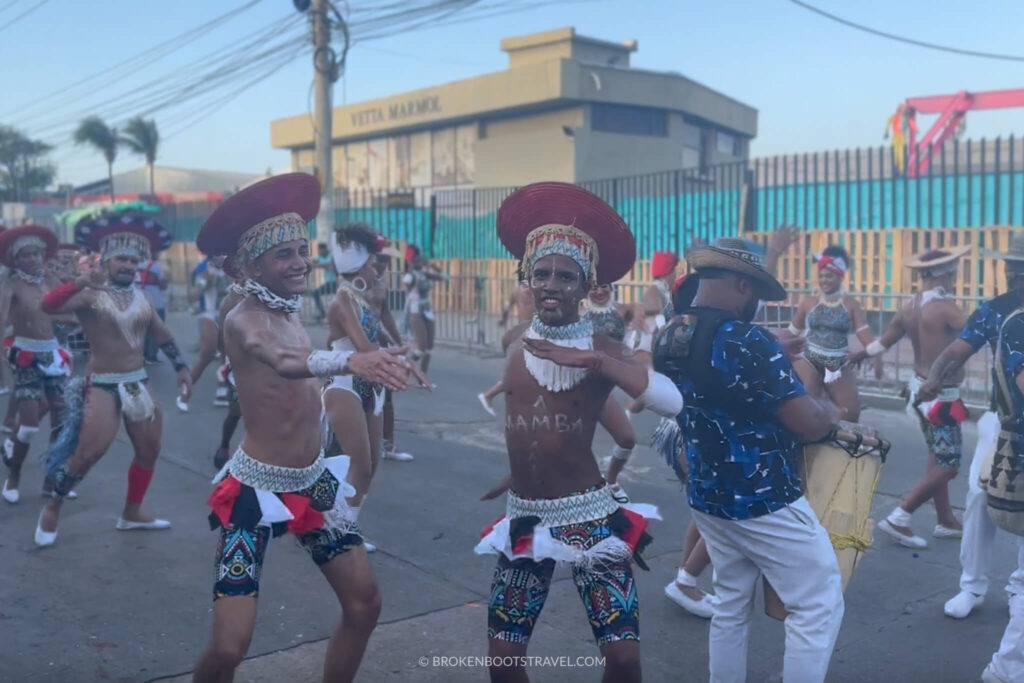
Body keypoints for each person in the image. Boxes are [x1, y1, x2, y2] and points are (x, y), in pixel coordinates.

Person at [190, 173, 420, 683]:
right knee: (230, 646)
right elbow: (285, 360)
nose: (299, 263)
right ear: (251, 266)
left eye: (302, 250)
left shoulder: (288, 309)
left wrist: (366, 361)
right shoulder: (243, 318)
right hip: (254, 490)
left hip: (313, 484)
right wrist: (350, 363)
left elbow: (298, 365)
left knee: (364, 606)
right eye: (284, 256)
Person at [474, 182, 682, 683]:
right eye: (541, 273)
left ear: (587, 286)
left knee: (623, 660)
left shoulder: (602, 344)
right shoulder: (515, 344)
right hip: (525, 516)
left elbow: (671, 401)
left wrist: (592, 359)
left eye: (565, 275)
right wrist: (520, 469)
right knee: (503, 659)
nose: (550, 284)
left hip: (588, 516)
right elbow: (532, 423)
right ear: (525, 277)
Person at [655, 237, 843, 682]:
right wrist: (830, 414)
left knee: (731, 607)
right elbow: (803, 420)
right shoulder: (749, 341)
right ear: (743, 285)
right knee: (817, 604)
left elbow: (713, 371)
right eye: (756, 291)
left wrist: (771, 351)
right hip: (765, 501)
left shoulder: (669, 332)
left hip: (708, 497)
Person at [35, 212, 192, 546]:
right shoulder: (92, 294)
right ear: (106, 260)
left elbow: (161, 334)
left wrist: (181, 367)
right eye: (121, 258)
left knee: (149, 450)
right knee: (88, 453)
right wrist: (79, 282)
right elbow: (47, 306)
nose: (128, 265)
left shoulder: (142, 297)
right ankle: (53, 506)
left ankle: (131, 513)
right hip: (103, 383)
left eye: (134, 260)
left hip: (138, 381)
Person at [916, 233, 1024, 642]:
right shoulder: (994, 311)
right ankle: (972, 585)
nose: (1014, 273)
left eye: (1021, 267)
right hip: (1002, 421)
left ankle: (1019, 587)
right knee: (981, 495)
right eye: (1010, 265)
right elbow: (957, 350)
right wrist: (932, 380)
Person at [851, 246, 970, 548]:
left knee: (936, 456)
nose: (956, 276)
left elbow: (882, 343)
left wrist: (861, 354)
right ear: (944, 273)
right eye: (954, 271)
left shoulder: (909, 306)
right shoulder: (946, 308)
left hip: (917, 392)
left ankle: (945, 520)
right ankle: (900, 517)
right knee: (948, 464)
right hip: (942, 398)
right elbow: (977, 336)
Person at [0, 224, 73, 502]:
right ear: (16, 259)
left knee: (61, 421)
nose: (33, 259)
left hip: (52, 355)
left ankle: (50, 479)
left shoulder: (50, 278)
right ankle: (13, 476)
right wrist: (3, 368)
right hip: (25, 355)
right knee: (29, 425)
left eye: (37, 254)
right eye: (26, 255)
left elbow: (68, 307)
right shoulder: (11, 284)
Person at [787, 245, 877, 421]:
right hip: (808, 360)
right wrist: (767, 339)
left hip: (837, 363)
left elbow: (863, 333)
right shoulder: (808, 302)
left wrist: (876, 355)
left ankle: (839, 446)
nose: (824, 280)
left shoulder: (852, 305)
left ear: (839, 276)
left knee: (850, 413)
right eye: (821, 276)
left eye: (829, 276)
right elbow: (791, 332)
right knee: (808, 412)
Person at [366, 245, 414, 463]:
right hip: (359, 347)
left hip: (378, 343)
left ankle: (387, 444)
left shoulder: (381, 281)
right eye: (378, 260)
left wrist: (397, 340)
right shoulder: (356, 283)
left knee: (386, 396)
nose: (382, 265)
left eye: (386, 261)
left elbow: (384, 312)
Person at [478, 278, 534, 415]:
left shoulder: (518, 287)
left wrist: (503, 320)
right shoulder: (533, 289)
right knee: (525, 371)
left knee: (529, 371)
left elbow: (507, 306)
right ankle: (489, 394)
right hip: (531, 332)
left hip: (521, 331)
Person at [403, 244, 447, 374]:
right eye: (416, 258)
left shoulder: (424, 273)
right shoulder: (410, 276)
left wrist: (432, 266)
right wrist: (410, 270)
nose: (419, 260)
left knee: (429, 349)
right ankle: (405, 371)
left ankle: (423, 378)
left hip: (427, 311)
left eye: (420, 257)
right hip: (416, 312)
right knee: (420, 349)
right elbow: (406, 286)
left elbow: (444, 277)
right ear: (411, 260)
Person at [138, 254, 169, 364]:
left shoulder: (135, 265)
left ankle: (142, 355)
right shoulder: (156, 266)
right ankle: (151, 356)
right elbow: (163, 285)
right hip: (155, 302)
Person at [311, 241, 338, 323]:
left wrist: (319, 265)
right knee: (316, 293)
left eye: (320, 250)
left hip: (336, 282)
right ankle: (321, 313)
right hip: (329, 283)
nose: (319, 252)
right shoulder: (320, 257)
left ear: (324, 249)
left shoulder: (332, 255)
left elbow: (330, 264)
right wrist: (315, 263)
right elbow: (314, 262)